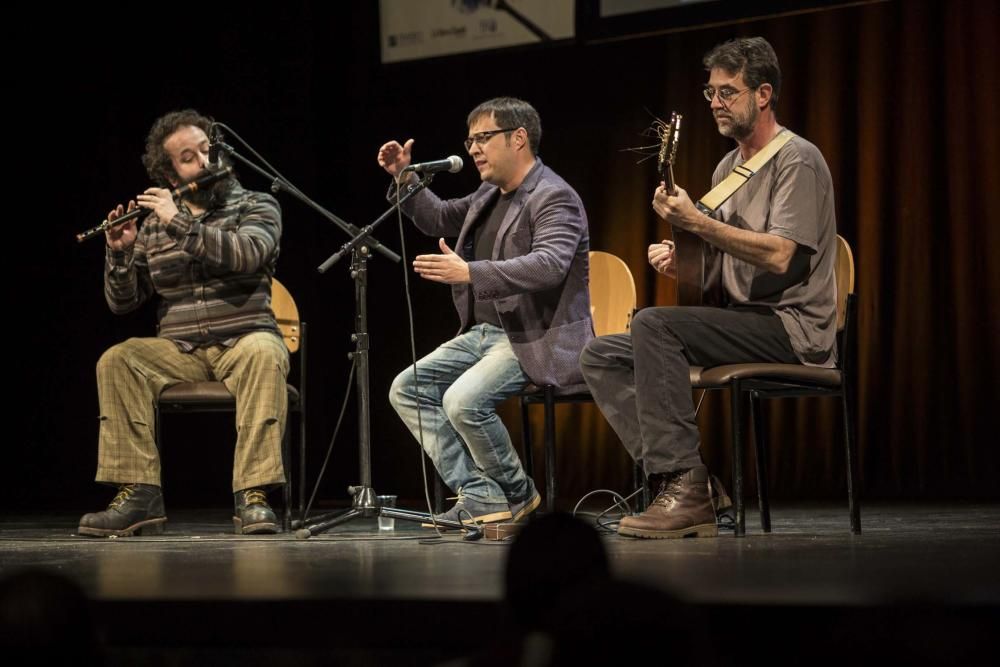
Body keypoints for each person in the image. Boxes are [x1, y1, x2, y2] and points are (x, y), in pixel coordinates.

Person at [581, 37, 838, 539]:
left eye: (728, 92)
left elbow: (781, 254)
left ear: (763, 94)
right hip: (746, 320)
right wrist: (687, 264)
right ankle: (688, 478)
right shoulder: (727, 168)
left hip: (793, 327)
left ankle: (685, 488)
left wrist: (698, 222)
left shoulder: (796, 160)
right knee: (600, 355)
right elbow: (726, 265)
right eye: (710, 93)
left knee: (654, 324)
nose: (716, 103)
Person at [378, 97, 592, 526]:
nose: (473, 149)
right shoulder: (489, 193)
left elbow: (549, 264)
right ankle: (481, 494)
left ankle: (515, 492)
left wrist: (471, 272)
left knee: (461, 401)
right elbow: (438, 217)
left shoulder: (554, 197)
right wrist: (404, 177)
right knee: (406, 388)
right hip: (483, 334)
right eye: (470, 139)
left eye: (483, 138)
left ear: (518, 138)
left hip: (533, 336)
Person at [78, 109, 288, 537]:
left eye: (209, 151)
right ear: (171, 174)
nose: (205, 163)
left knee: (267, 353)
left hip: (245, 339)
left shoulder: (257, 205)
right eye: (189, 157)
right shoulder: (153, 226)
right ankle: (140, 494)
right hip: (181, 350)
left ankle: (252, 495)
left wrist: (179, 221)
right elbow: (124, 303)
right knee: (118, 359)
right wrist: (119, 254)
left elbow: (247, 255)